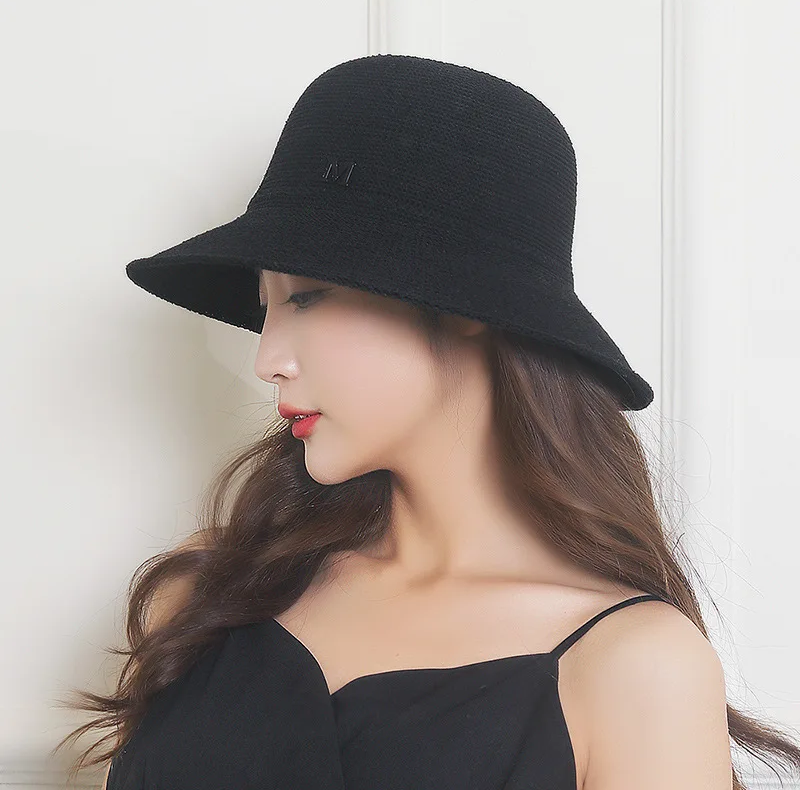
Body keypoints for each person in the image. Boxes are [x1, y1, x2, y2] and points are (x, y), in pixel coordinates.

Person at [54, 54, 798, 790]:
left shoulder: (636, 668)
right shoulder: (205, 593)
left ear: (464, 309)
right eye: (266, 307)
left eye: (306, 298)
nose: (267, 359)